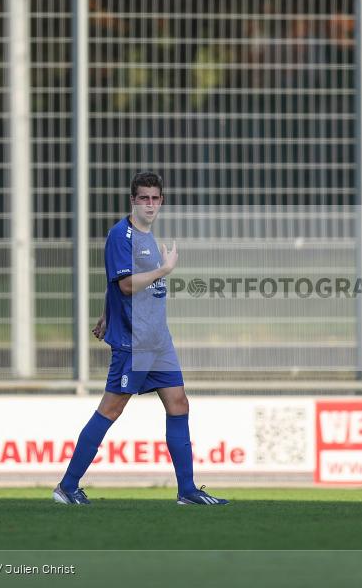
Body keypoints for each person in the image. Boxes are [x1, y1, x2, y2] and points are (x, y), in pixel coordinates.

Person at [53, 171, 228, 506]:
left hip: (158, 340)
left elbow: (119, 285)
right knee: (111, 409)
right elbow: (124, 284)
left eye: (155, 198)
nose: (149, 204)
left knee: (179, 404)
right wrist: (163, 271)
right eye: (143, 198)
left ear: (161, 201)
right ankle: (67, 486)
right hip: (134, 343)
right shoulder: (122, 235)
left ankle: (188, 491)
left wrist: (106, 313)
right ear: (132, 200)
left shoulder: (148, 236)